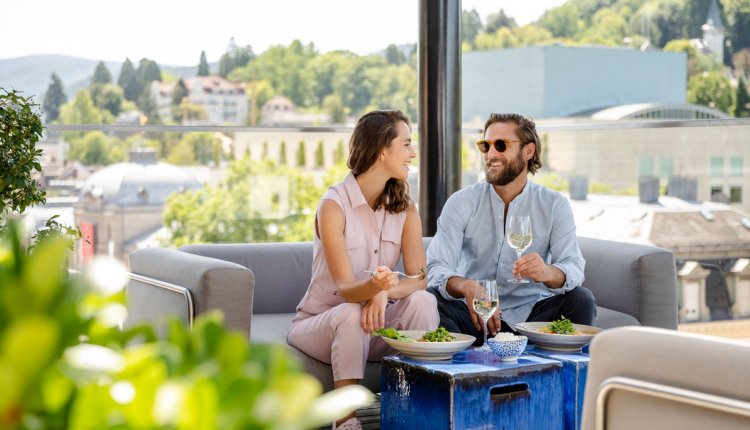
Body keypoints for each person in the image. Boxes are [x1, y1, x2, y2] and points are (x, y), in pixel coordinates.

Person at [287, 110, 439, 430]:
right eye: (407, 144)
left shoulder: (405, 209)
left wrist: (386, 292)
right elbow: (345, 288)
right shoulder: (334, 205)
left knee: (424, 302)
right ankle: (345, 420)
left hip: (375, 324)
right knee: (349, 314)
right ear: (383, 149)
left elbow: (420, 278)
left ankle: (417, 406)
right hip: (322, 325)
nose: (412, 154)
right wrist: (378, 289)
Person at [426, 112, 595, 345]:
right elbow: (436, 267)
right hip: (476, 315)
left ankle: (558, 377)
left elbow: (573, 266)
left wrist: (547, 272)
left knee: (581, 300)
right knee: (429, 300)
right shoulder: (461, 202)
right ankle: (466, 374)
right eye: (486, 146)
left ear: (528, 151)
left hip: (532, 317)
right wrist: (465, 286)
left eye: (501, 145)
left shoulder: (554, 205)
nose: (491, 154)